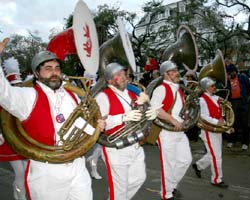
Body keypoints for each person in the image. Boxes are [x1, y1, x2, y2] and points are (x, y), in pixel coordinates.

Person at [0, 37, 105, 200]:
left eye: (57, 68)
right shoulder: (28, 96)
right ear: (37, 73)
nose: (54, 72)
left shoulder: (73, 94)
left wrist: (96, 127)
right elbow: (3, 93)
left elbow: (81, 124)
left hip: (77, 165)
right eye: (48, 68)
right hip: (47, 171)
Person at [95, 62, 158, 200]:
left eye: (124, 74)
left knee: (139, 179)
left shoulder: (132, 93)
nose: (124, 77)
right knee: (119, 189)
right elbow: (100, 123)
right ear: (109, 80)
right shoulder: (102, 97)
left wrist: (150, 113)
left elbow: (141, 112)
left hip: (135, 144)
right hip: (116, 149)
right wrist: (123, 117)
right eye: (118, 75)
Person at [150, 60, 192, 200]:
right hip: (166, 132)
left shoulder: (178, 88)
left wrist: (185, 117)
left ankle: (171, 186)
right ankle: (166, 194)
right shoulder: (161, 88)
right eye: (172, 71)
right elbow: (155, 108)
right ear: (165, 74)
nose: (176, 73)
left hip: (179, 131)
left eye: (176, 70)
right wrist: (173, 120)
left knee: (185, 160)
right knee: (169, 164)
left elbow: (178, 109)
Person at [192, 77, 230, 189]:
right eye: (212, 86)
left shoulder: (216, 98)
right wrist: (216, 122)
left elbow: (219, 116)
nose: (215, 87)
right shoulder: (202, 100)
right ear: (206, 88)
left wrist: (227, 127)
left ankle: (198, 166)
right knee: (216, 156)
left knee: (214, 154)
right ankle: (216, 179)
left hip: (217, 130)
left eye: (214, 85)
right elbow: (203, 116)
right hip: (209, 130)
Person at [0, 57, 27, 200]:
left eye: (19, 83)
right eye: (15, 84)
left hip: (24, 140)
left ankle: (22, 194)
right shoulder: (4, 99)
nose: (19, 86)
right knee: (20, 173)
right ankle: (19, 197)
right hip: (10, 139)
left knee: (27, 171)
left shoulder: (23, 96)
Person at [225, 64, 250, 150]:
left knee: (245, 123)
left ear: (235, 71)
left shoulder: (243, 77)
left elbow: (249, 88)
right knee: (233, 122)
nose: (231, 74)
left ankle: (245, 142)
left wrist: (247, 99)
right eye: (229, 72)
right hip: (233, 102)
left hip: (243, 102)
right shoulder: (228, 81)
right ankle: (232, 140)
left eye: (232, 72)